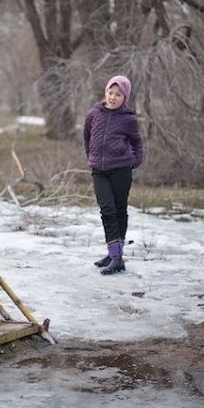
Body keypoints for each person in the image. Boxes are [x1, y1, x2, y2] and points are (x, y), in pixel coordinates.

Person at [83, 75, 144, 275]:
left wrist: (135, 161)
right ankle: (114, 255)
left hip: (121, 169)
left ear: (124, 97)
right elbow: (87, 137)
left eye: (118, 94)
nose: (113, 97)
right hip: (99, 171)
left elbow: (137, 142)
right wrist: (91, 157)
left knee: (119, 210)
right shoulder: (94, 114)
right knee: (106, 210)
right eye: (110, 92)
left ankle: (116, 257)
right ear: (106, 92)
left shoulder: (128, 119)